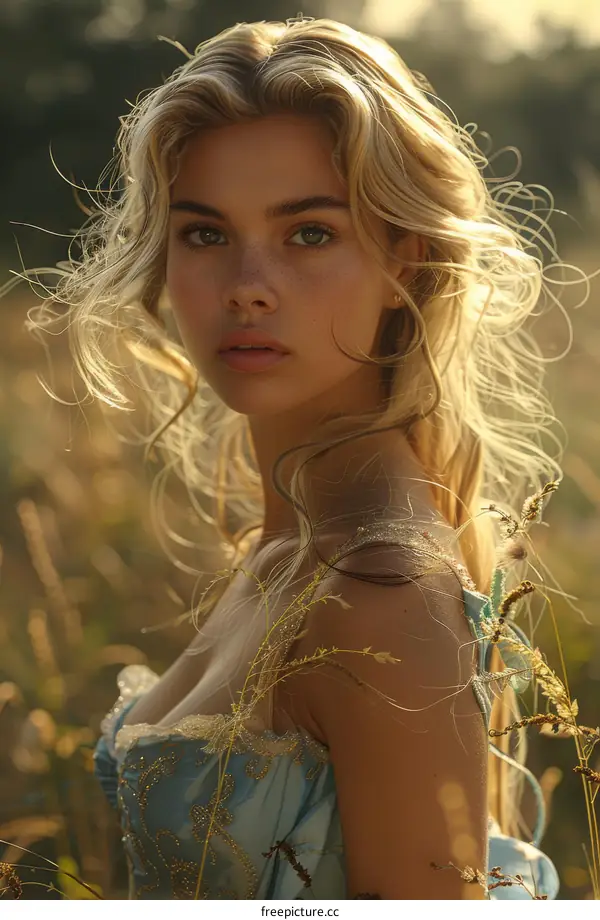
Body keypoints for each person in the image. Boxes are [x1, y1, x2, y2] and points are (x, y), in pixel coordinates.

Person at [29, 15, 569, 899]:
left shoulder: (377, 594)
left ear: (409, 255)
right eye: (205, 232)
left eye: (308, 233)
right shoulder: (296, 540)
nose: (247, 283)